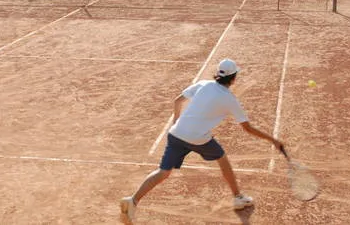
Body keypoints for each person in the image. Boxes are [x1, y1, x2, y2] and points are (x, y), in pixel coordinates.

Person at [119, 59, 285, 223]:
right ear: (233, 78)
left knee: (163, 172)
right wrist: (273, 140)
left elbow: (177, 101)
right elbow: (247, 128)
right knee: (222, 158)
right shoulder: (229, 99)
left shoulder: (204, 84)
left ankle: (132, 200)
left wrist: (176, 122)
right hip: (198, 138)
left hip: (176, 134)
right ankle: (237, 197)